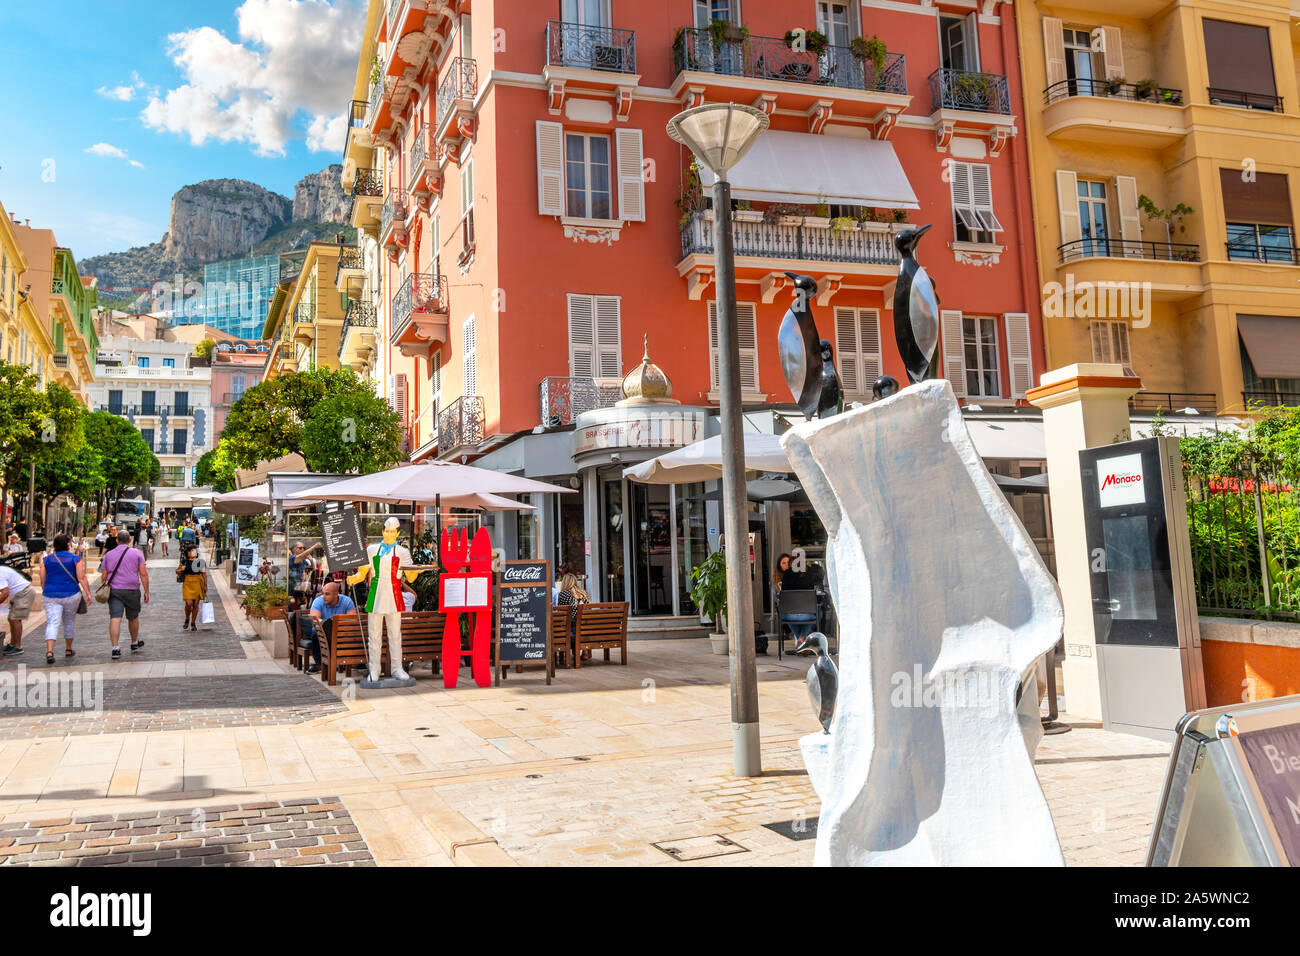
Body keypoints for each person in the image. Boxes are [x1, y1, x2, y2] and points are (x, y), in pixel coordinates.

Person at [36, 534, 91, 665]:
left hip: (51, 594)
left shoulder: (46, 560)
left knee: (52, 622)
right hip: (71, 594)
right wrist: (88, 593)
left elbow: (42, 578)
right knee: (69, 621)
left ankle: (49, 651)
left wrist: (46, 590)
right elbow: (81, 577)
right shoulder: (76, 559)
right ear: (67, 544)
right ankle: (68, 648)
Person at [101, 529, 149, 659]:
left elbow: (104, 576)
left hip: (115, 590)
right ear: (130, 540)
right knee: (133, 617)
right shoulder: (137, 553)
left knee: (115, 618)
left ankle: (115, 648)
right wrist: (146, 591)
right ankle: (134, 642)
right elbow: (143, 574)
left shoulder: (109, 555)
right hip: (132, 589)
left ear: (117, 541)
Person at [305, 581, 357, 675]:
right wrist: (329, 625)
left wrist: (336, 626)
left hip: (341, 631)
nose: (323, 596)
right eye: (323, 593)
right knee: (315, 631)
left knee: (354, 632)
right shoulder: (318, 601)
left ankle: (353, 661)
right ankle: (319, 664)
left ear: (336, 594)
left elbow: (352, 621)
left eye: (327, 594)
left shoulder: (347, 601)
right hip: (324, 630)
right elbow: (315, 620)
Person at [0, 559, 35, 656]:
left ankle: (17, 646)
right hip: (20, 593)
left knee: (15, 619)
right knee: (11, 619)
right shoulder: (2, 569)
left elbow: (5, 592)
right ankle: (13, 644)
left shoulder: (0, 573)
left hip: (23, 593)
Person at [555, 572, 591, 660]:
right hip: (586, 627)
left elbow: (561, 612)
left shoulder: (563, 594)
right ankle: (583, 650)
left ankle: (573, 652)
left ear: (565, 582)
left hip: (572, 628)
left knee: (564, 625)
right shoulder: (584, 593)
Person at [177, 543, 207, 632]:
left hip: (198, 583)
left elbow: (204, 575)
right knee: (189, 603)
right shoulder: (184, 561)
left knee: (196, 604)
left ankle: (193, 622)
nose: (192, 552)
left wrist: (205, 586)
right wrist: (181, 569)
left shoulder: (201, 562)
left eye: (193, 550)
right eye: (190, 551)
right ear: (187, 552)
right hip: (187, 583)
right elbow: (177, 571)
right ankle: (187, 618)